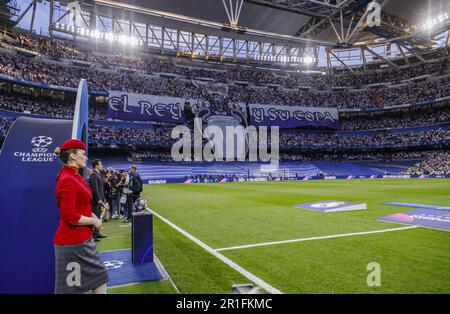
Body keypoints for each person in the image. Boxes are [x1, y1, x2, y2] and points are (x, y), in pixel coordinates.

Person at [53, 139, 108, 294]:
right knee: (72, 289)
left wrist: (92, 216)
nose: (86, 157)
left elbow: (80, 206)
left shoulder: (74, 175)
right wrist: (93, 220)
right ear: (72, 156)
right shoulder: (67, 179)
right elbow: (69, 215)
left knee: (99, 278)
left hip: (81, 239)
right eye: (83, 154)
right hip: (73, 242)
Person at [89, 159, 107, 241]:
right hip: (96, 200)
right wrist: (99, 199)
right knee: (95, 216)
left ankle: (97, 233)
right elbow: (94, 188)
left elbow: (100, 188)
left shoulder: (98, 173)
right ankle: (93, 235)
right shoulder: (93, 174)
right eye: (100, 164)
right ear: (96, 165)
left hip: (100, 199)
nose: (102, 165)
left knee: (99, 216)